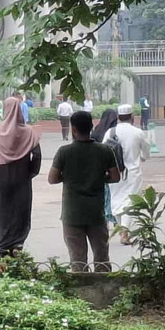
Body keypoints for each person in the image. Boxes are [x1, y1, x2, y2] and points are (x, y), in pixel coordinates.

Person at [49, 110, 121, 272]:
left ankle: (81, 294)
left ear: (73, 129)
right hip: (96, 213)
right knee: (102, 258)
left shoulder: (64, 152)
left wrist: (68, 177)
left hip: (72, 214)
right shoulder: (104, 151)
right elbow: (115, 177)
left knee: (78, 261)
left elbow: (52, 179)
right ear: (91, 127)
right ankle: (104, 292)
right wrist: (99, 177)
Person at [0, 96, 42, 260]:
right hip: (22, 180)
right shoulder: (29, 132)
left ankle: (0, 248)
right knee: (21, 214)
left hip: (2, 183)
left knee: (3, 216)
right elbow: (37, 157)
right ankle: (16, 246)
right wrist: (29, 173)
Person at [105, 105, 149, 244]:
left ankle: (122, 231)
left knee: (117, 201)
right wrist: (142, 157)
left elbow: (103, 150)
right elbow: (146, 152)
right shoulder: (138, 132)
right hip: (132, 173)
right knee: (129, 202)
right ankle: (124, 232)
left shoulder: (110, 132)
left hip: (115, 172)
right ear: (132, 117)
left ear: (118, 117)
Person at [91, 108, 120, 227]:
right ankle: (116, 222)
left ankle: (105, 221)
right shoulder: (113, 132)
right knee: (114, 196)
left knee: (103, 196)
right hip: (112, 168)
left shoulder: (97, 130)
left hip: (98, 168)